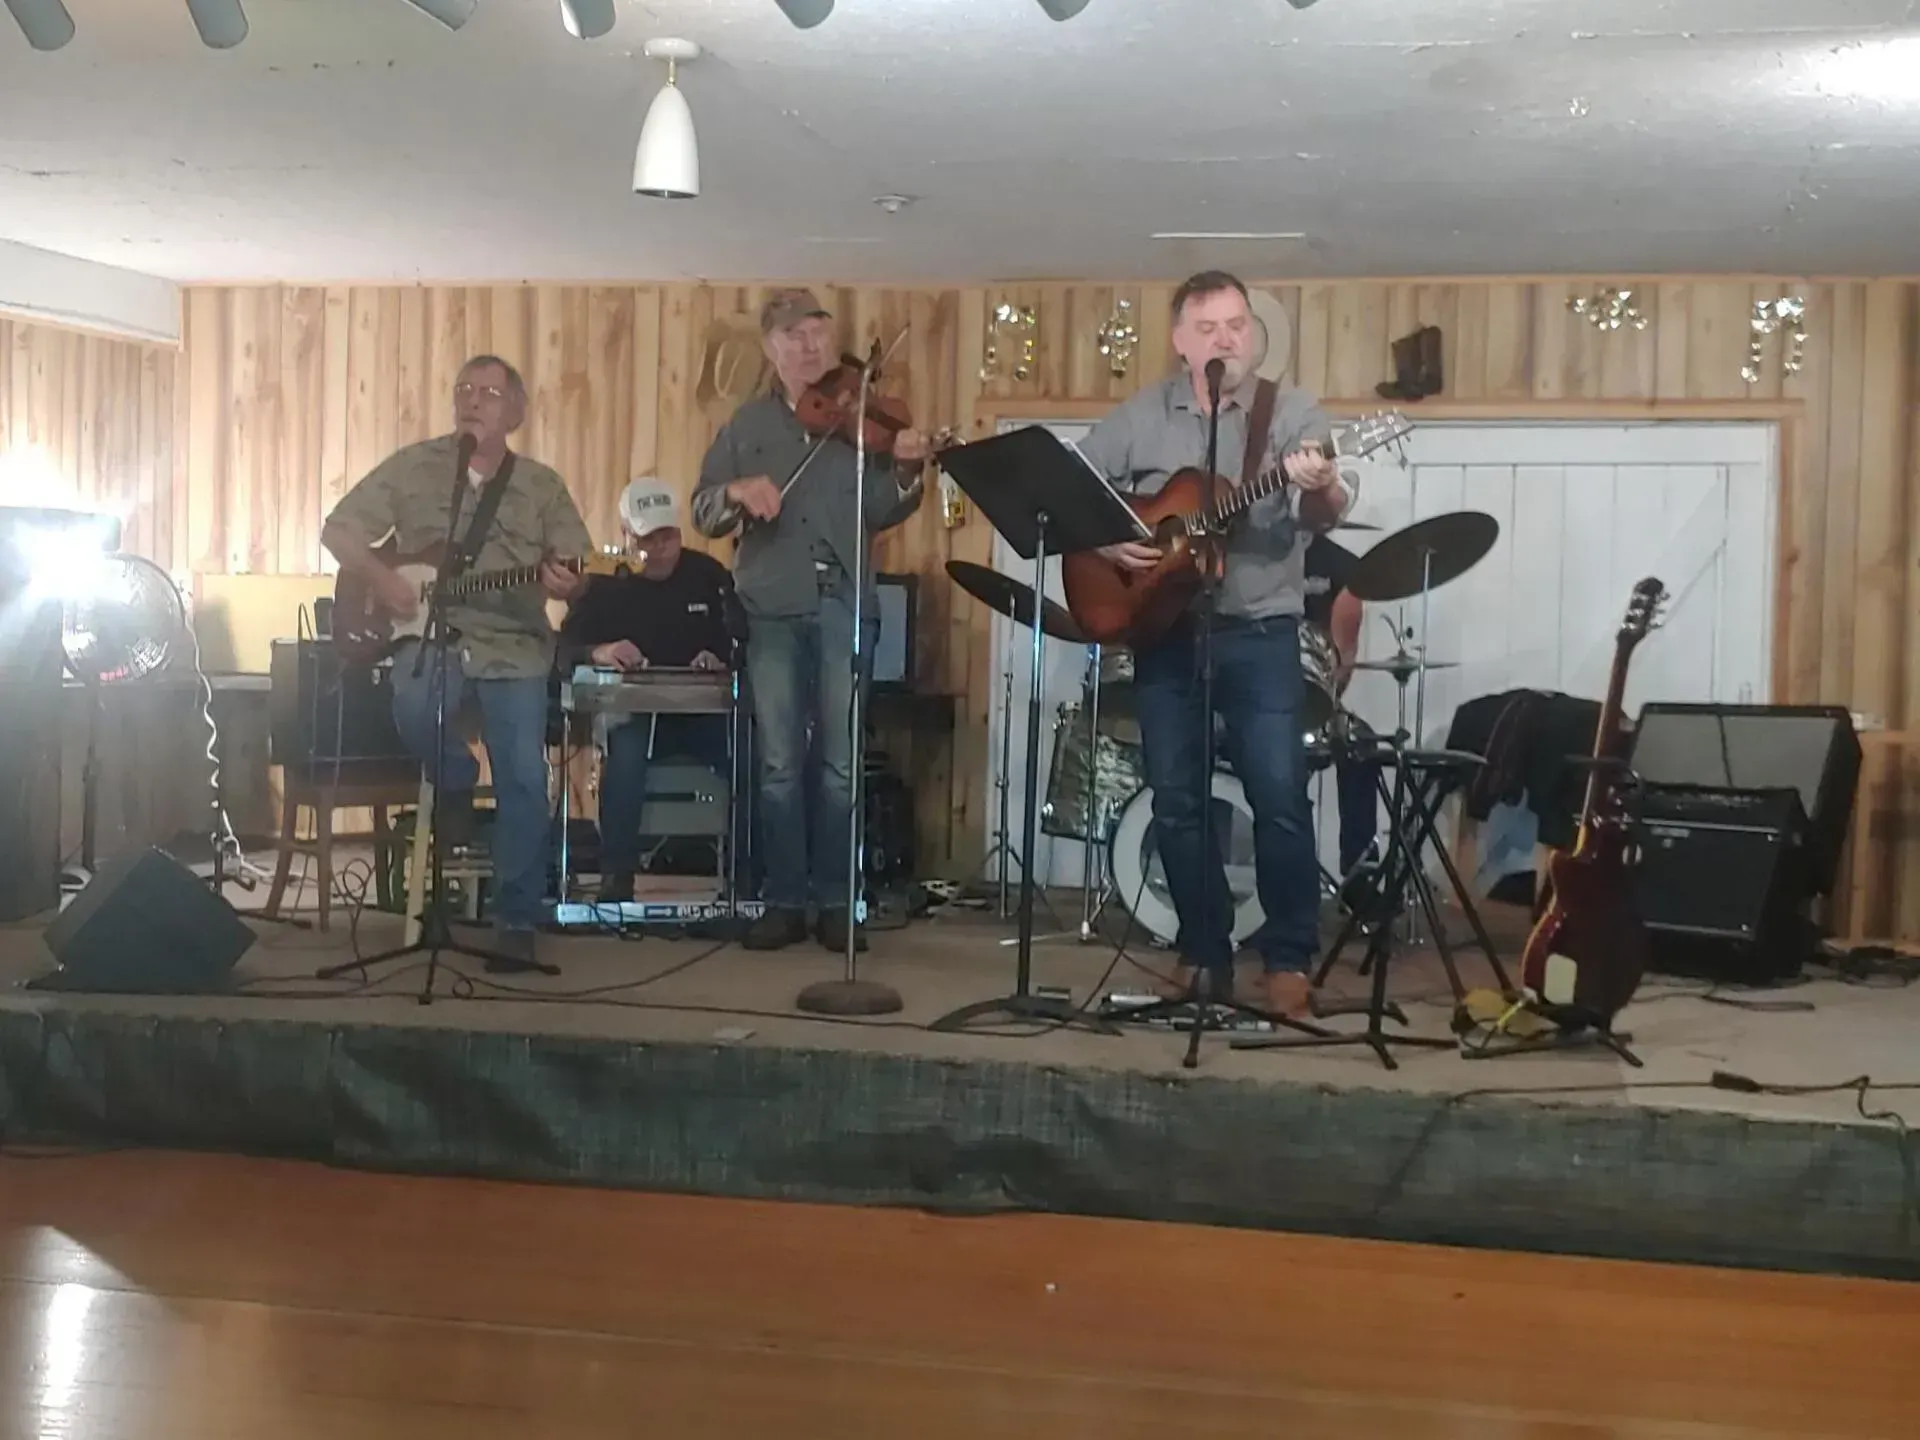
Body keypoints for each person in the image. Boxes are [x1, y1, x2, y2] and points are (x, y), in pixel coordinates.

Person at [1076, 271, 1356, 1018]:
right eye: (1208, 329)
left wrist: (1322, 484)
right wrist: (1108, 541)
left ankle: (1289, 959)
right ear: (1180, 341)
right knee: (1175, 800)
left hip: (1261, 630)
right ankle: (1203, 952)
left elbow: (1323, 513)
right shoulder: (1142, 415)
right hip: (1166, 629)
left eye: (1237, 325)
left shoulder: (1289, 413)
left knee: (1279, 797)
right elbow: (1074, 487)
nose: (1226, 340)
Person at [321, 354, 591, 973]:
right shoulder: (415, 467)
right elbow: (338, 531)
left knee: (524, 775)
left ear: (516, 411)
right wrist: (382, 579)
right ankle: (456, 778)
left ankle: (516, 919)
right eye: (465, 388)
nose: (473, 400)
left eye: (490, 393)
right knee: (413, 705)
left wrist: (568, 583)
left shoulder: (542, 486)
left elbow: (575, 572)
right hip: (430, 637)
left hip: (513, 644)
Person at [690, 289, 931, 952]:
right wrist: (738, 491)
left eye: (820, 333)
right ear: (771, 347)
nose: (811, 346)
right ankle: (784, 901)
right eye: (795, 336)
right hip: (769, 607)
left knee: (840, 766)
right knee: (777, 763)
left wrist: (907, 468)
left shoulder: (860, 418)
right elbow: (703, 509)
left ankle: (835, 901)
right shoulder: (746, 426)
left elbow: (883, 506)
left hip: (843, 604)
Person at [559, 476, 737, 903]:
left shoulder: (707, 575)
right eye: (647, 538)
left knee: (749, 750)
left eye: (668, 536)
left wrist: (719, 657)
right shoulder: (604, 579)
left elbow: (739, 640)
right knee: (626, 748)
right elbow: (562, 649)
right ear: (625, 534)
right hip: (630, 711)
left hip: (698, 711)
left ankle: (748, 874)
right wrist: (601, 651)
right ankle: (617, 877)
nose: (660, 548)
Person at [1303, 533, 1380, 879]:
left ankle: (1359, 877)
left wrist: (1324, 697)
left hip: (1314, 697)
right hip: (1252, 701)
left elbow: (1344, 656)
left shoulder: (1342, 565)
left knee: (1361, 743)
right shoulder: (1252, 555)